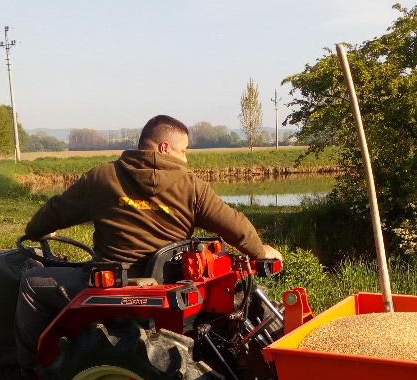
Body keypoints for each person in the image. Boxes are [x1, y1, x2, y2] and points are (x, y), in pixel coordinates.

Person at [24, 114, 283, 271]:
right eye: (184, 151)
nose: (185, 159)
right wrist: (260, 252)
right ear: (165, 147)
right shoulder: (192, 186)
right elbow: (235, 226)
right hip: (169, 280)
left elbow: (56, 211)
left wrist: (36, 231)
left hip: (111, 282)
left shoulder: (102, 177)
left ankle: (30, 362)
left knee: (34, 284)